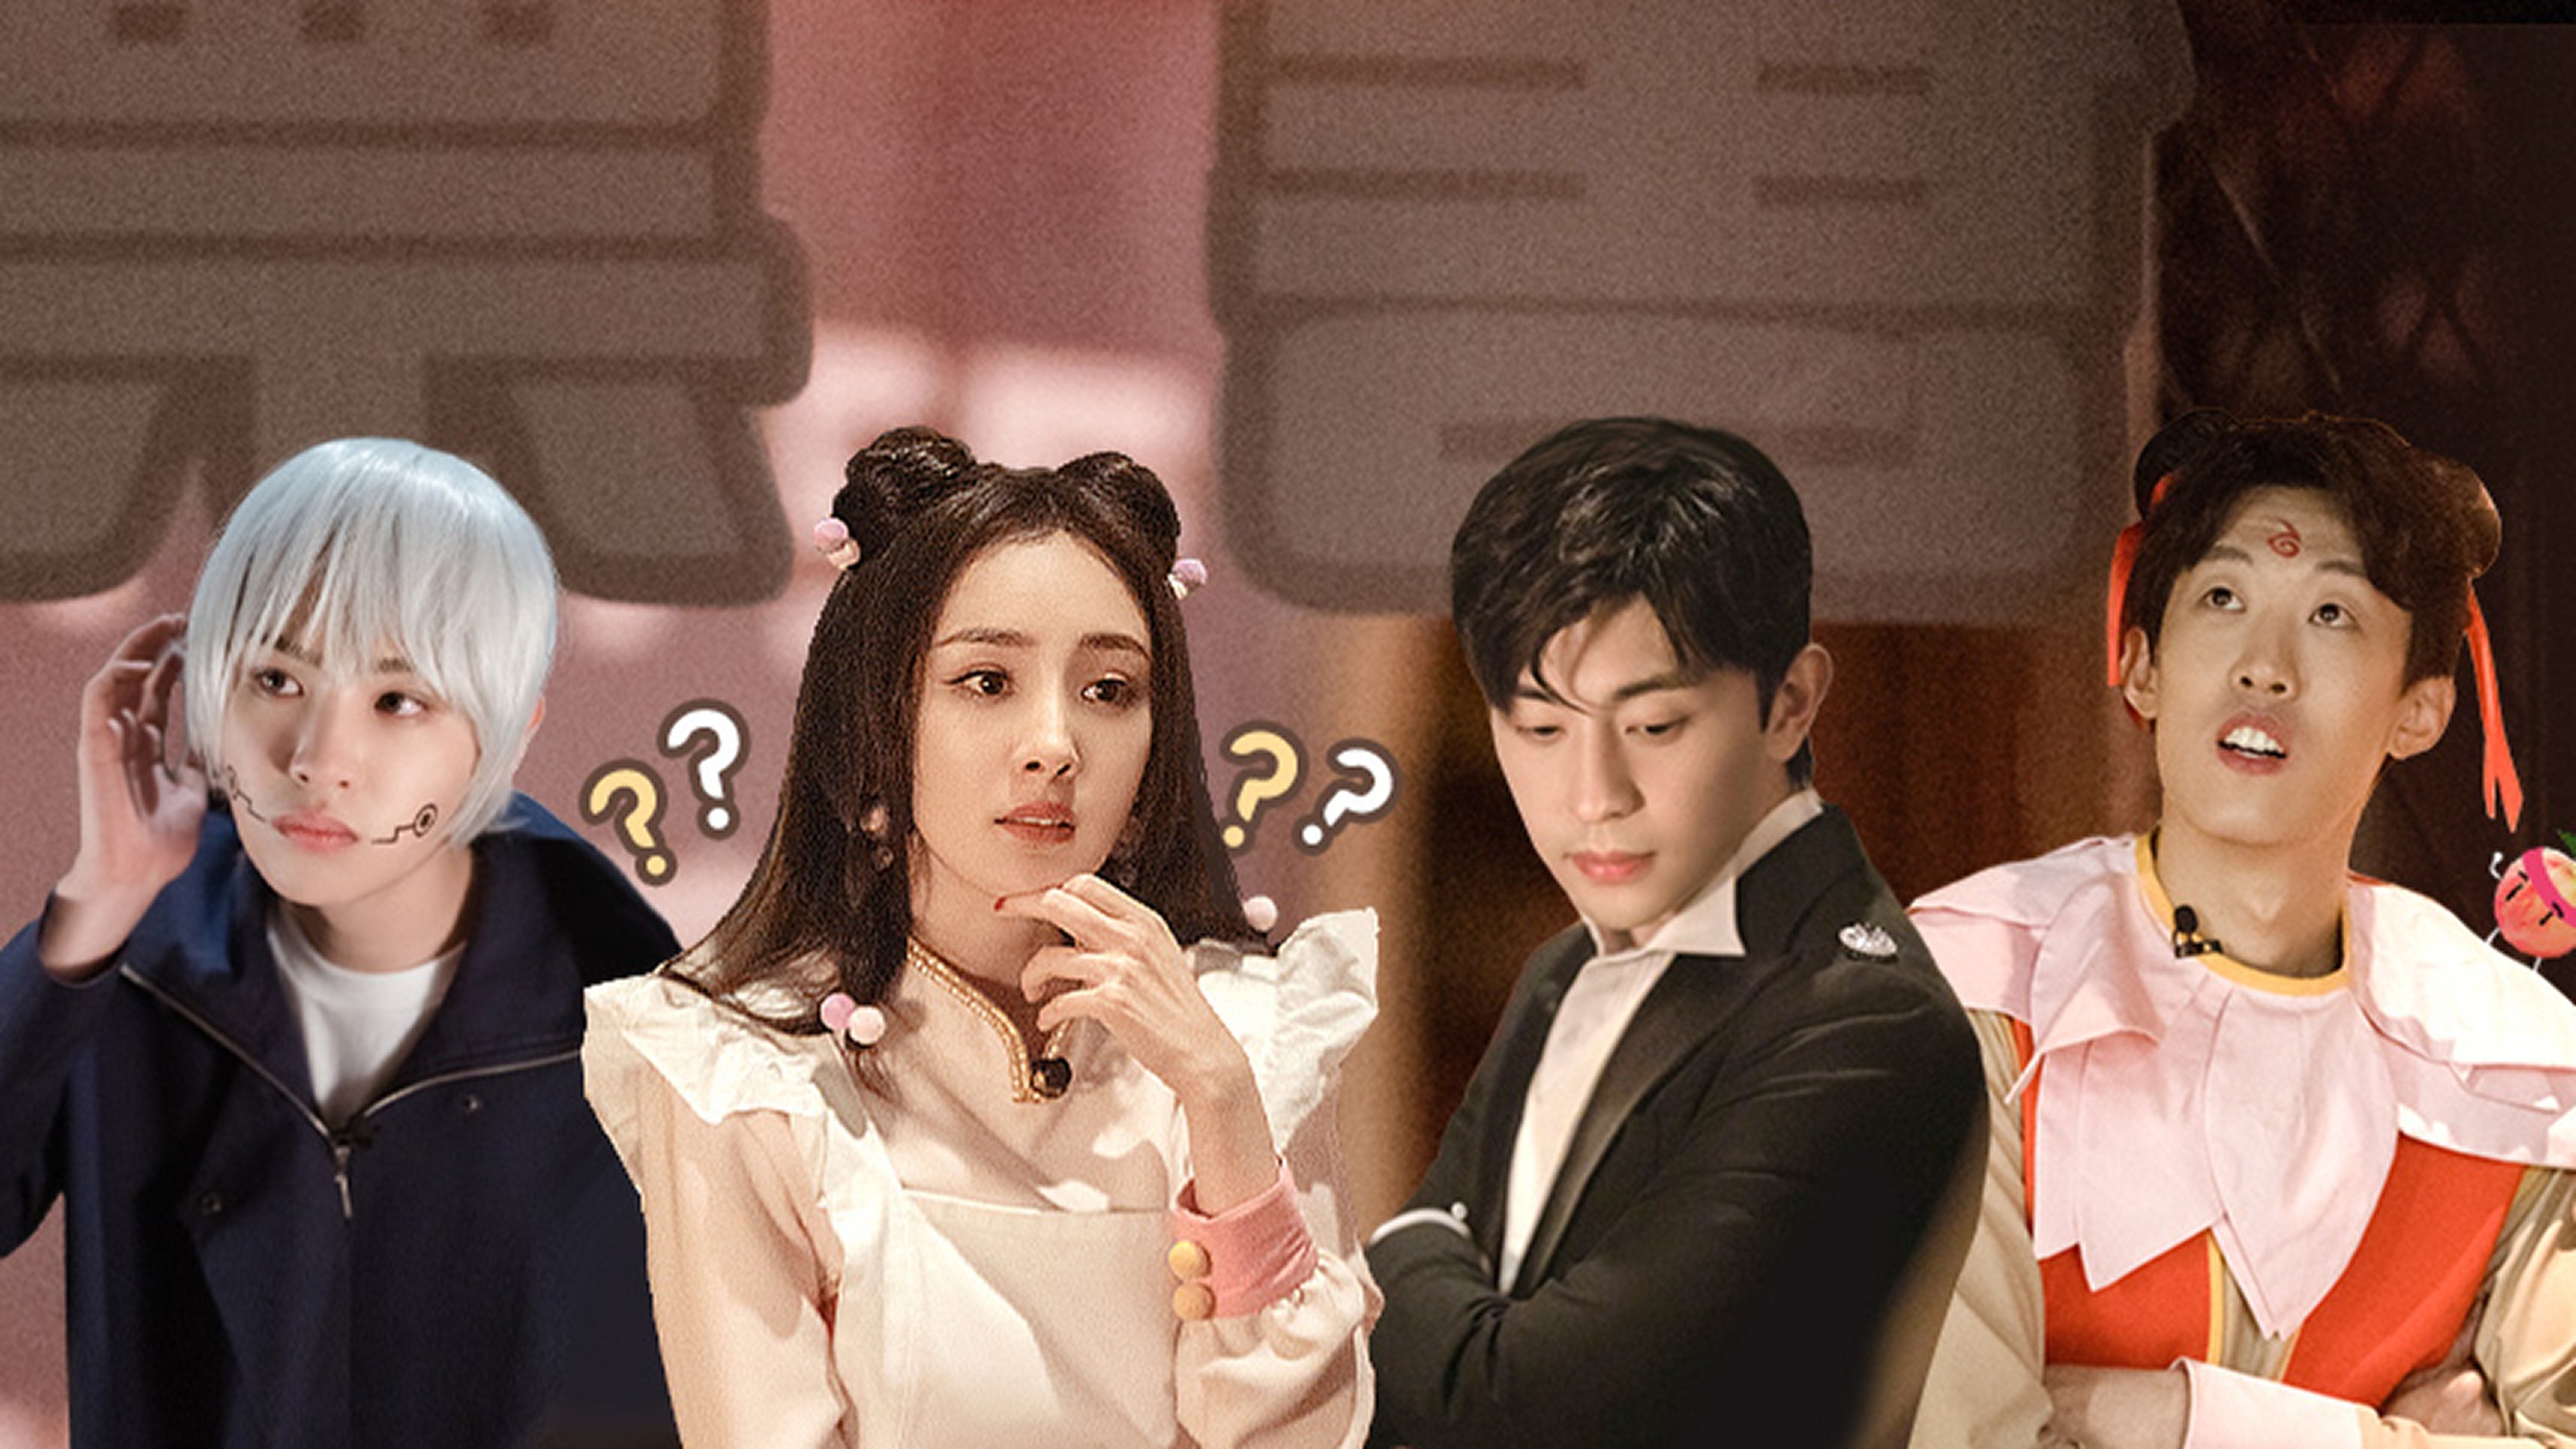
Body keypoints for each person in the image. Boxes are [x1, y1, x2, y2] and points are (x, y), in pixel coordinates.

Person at [582, 427, 1377, 1446]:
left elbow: (1306, 1437)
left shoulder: (1246, 1040)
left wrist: (1220, 1096)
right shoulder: (746, 1073)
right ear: (878, 723)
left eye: (1109, 691)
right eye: (988, 682)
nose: (1054, 746)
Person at [1908, 410, 2576, 1448]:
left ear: (2422, 709)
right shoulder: (1971, 998)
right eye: (2222, 598)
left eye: (2332, 614)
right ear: (2141, 666)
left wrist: (2155, 1414)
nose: (2265, 666)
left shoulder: (2516, 1072)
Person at [0, 438, 678, 1447]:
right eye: (276, 678)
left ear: (508, 732)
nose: (319, 761)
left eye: (399, 700)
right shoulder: (129, 969)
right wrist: (95, 908)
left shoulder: (630, 1032)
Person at [1366, 417, 1986, 1449]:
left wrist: (1409, 1260)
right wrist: (1425, 1273)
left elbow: (1518, 1407)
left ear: (1790, 704)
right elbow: (1426, 1320)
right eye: (1540, 727)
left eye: (1653, 726)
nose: (1593, 795)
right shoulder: (1567, 966)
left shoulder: (1869, 1025)